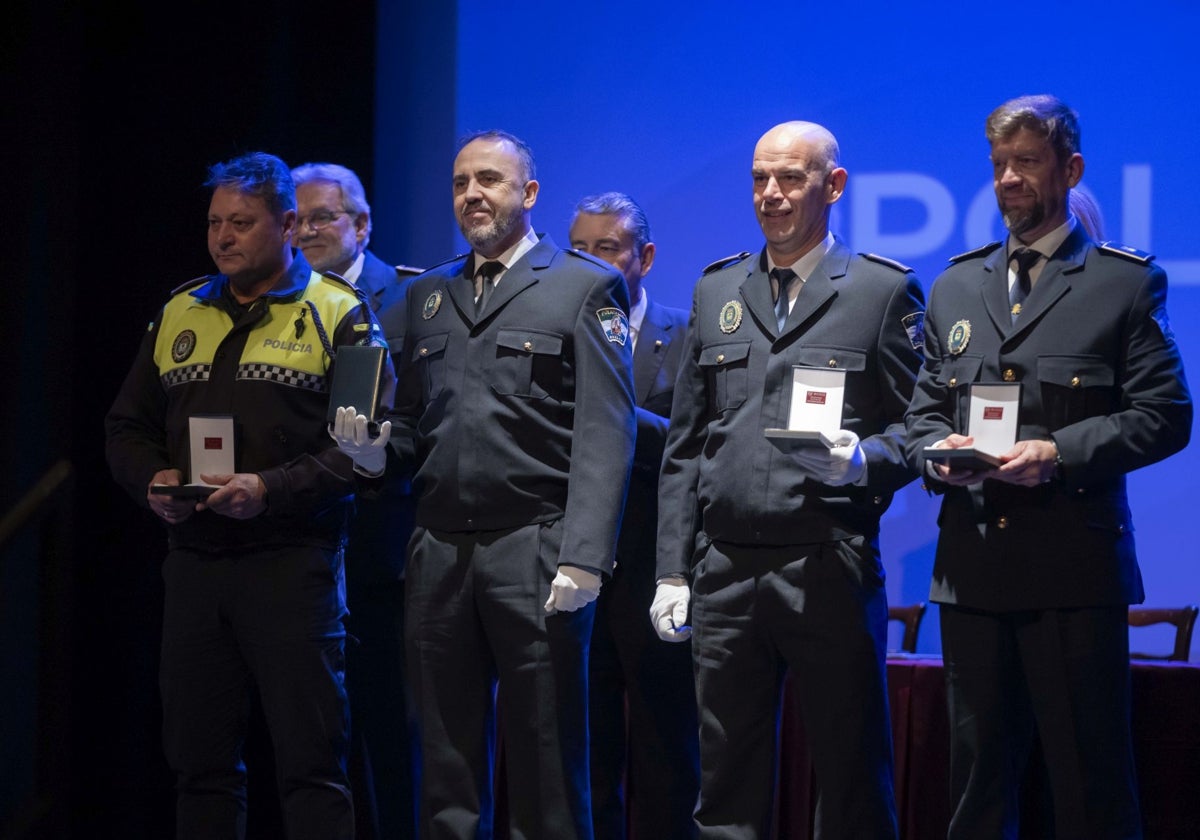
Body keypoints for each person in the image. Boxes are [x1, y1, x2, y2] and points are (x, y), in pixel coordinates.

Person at [333, 130, 637, 839]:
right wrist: (375, 458)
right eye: (462, 182)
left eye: (491, 180)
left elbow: (605, 430)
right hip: (438, 550)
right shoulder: (426, 295)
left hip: (534, 546)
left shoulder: (584, 287)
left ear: (528, 194)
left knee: (545, 762)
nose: (473, 193)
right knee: (444, 763)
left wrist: (585, 555)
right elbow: (411, 425)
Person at [904, 94, 1192, 839]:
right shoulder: (954, 286)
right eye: (999, 165)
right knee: (978, 786)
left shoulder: (1124, 284)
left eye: (1026, 163)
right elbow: (923, 413)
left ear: (1071, 169)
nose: (1008, 180)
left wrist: (1056, 452)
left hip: (1072, 570)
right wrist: (940, 457)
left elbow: (1166, 417)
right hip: (972, 570)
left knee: (1089, 787)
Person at [105, 151, 392, 840]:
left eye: (241, 223)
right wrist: (153, 480)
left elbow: (366, 445)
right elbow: (126, 426)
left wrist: (271, 488)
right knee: (199, 768)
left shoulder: (341, 314)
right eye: (214, 224)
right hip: (197, 565)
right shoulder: (181, 308)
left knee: (313, 768)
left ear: (288, 224)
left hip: (293, 567)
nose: (223, 238)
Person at [652, 121, 925, 838]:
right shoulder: (718, 290)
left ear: (832, 186)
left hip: (826, 565)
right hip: (726, 573)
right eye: (758, 179)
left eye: (791, 178)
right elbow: (684, 446)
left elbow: (919, 431)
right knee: (725, 788)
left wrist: (863, 460)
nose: (770, 195)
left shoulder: (879, 292)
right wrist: (672, 572)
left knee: (851, 780)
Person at [292, 160, 421, 839]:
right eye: (298, 219)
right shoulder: (280, 301)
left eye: (323, 217)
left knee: (394, 732)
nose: (308, 230)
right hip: (300, 547)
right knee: (313, 738)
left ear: (362, 225)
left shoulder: (410, 298)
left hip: (382, 553)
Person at [567, 192, 699, 839]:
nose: (591, 264)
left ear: (643, 256)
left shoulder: (686, 333)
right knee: (583, 758)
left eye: (607, 248)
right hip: (573, 571)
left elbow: (695, 443)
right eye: (579, 250)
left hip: (656, 570)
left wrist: (611, 413)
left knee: (666, 755)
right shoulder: (556, 336)